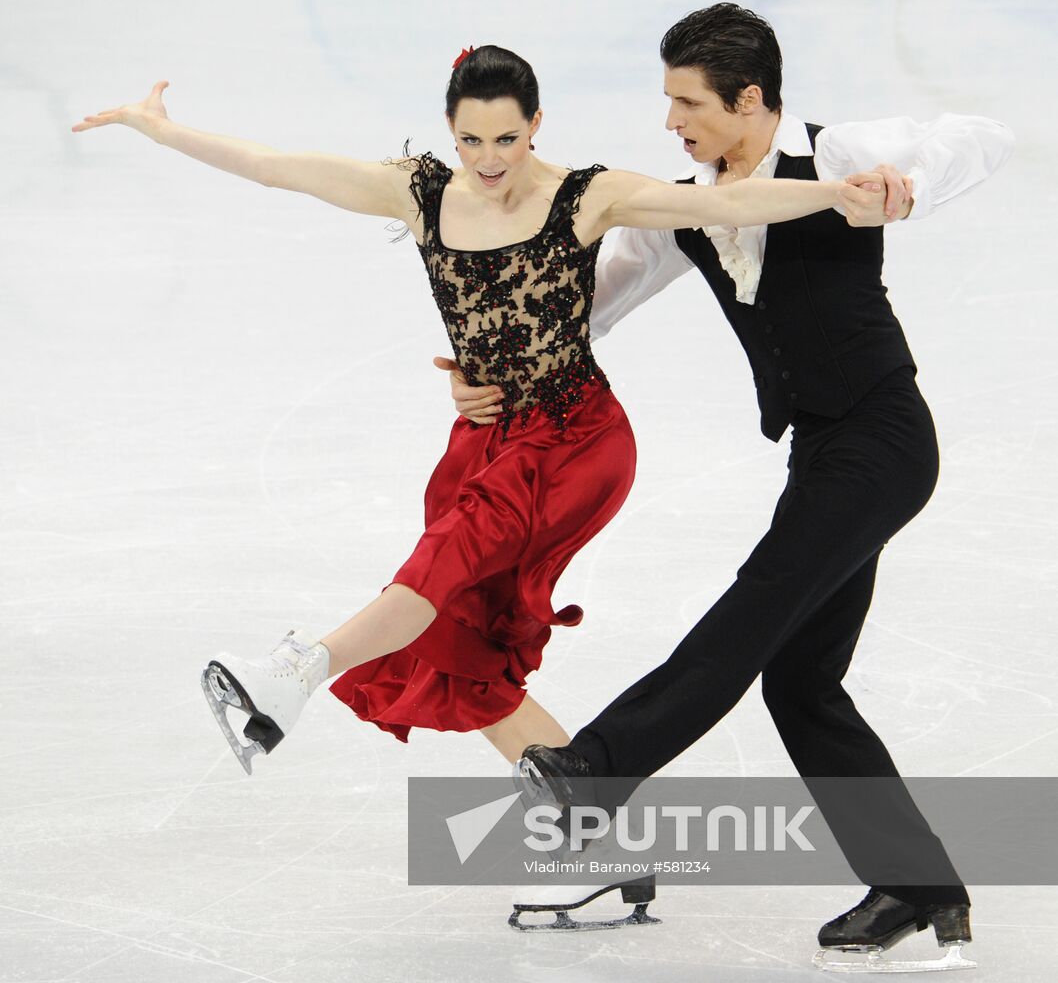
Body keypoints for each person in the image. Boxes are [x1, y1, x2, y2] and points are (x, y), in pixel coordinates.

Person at [71, 47, 871, 784]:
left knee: (447, 561)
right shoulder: (418, 192)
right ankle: (598, 836)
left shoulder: (586, 196)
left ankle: (294, 675)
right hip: (485, 438)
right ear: (450, 130)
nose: (489, 160)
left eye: (507, 139)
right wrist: (163, 132)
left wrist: (834, 193)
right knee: (461, 644)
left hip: (575, 441)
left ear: (535, 126)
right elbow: (279, 169)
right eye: (471, 141)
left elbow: (718, 200)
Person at [444, 7, 1013, 969]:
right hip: (822, 453)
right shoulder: (692, 205)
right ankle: (919, 886)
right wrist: (495, 366)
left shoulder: (839, 150)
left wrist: (905, 190)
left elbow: (983, 137)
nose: (672, 122)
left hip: (883, 438)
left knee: (755, 609)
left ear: (750, 101)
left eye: (687, 102)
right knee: (801, 681)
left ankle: (597, 768)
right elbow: (596, 301)